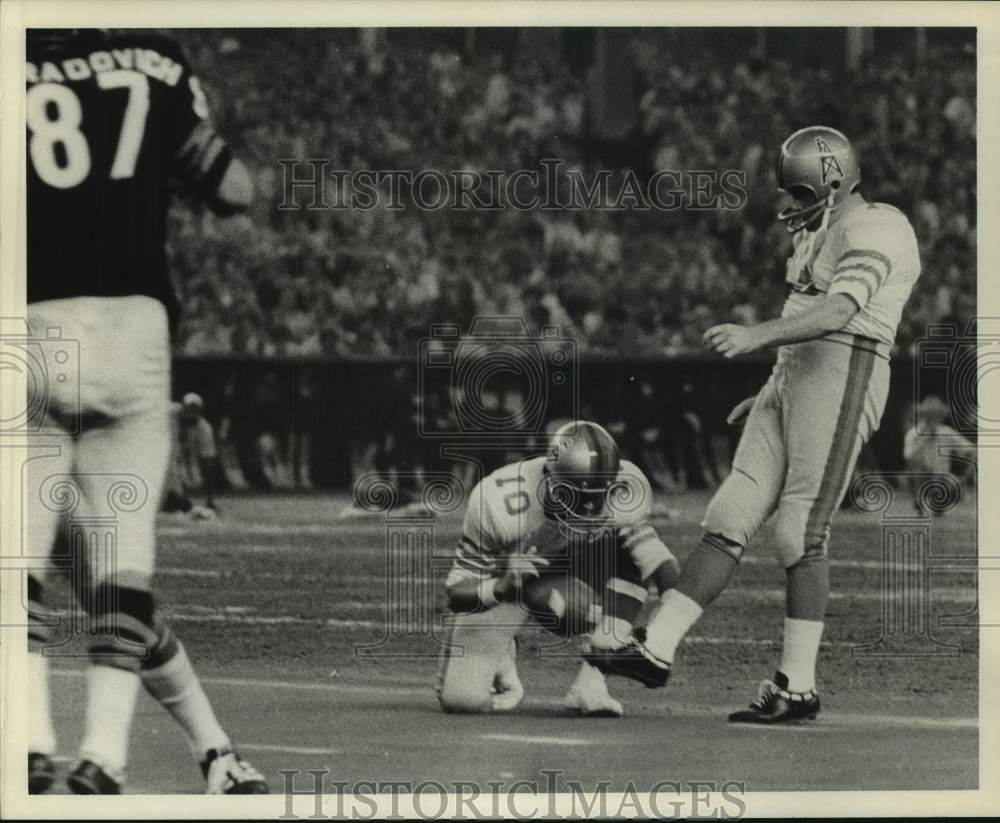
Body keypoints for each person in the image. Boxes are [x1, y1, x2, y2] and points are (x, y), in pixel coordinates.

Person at [588, 126, 922, 724]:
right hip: (795, 377)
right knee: (731, 510)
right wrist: (771, 387)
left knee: (798, 530)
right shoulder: (822, 229)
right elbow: (807, 319)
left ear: (834, 182)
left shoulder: (879, 226)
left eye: (797, 191)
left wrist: (755, 336)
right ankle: (656, 648)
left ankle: (797, 686)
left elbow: (842, 312)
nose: (787, 204)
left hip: (848, 369)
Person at [26, 29, 267, 793]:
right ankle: (125, 752)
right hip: (126, 333)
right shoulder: (150, 58)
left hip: (25, 329)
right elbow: (230, 186)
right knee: (107, 580)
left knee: (61, 572)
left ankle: (33, 739)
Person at [437, 421, 680, 717]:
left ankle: (590, 684)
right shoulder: (497, 501)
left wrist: (669, 625)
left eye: (596, 497)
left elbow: (656, 559)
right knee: (463, 701)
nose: (587, 509)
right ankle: (503, 650)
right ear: (550, 479)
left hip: (575, 571)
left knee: (615, 566)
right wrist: (501, 585)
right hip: (509, 579)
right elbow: (456, 591)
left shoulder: (629, 489)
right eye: (575, 496)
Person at [903, 395, 976, 514]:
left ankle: (937, 503)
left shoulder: (946, 432)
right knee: (918, 470)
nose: (933, 420)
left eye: (937, 416)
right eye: (930, 416)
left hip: (941, 478)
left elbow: (969, 449)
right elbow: (908, 456)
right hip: (921, 477)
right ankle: (920, 499)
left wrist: (965, 472)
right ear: (923, 416)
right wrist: (923, 439)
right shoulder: (913, 434)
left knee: (952, 483)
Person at [178, 392, 222, 514]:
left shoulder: (204, 429)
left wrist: (209, 498)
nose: (191, 412)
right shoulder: (171, 420)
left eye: (195, 409)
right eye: (189, 408)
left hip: (181, 457)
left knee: (208, 468)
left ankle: (209, 500)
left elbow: (207, 461)